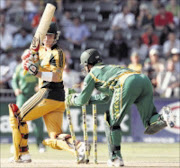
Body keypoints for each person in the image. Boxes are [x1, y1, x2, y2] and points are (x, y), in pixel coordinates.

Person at [66, 48, 175, 167]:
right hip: (143, 80)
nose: (84, 68)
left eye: (85, 66)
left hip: (127, 83)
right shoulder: (110, 68)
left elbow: (82, 99)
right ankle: (163, 117)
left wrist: (71, 99)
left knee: (111, 121)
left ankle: (115, 158)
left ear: (88, 64)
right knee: (149, 122)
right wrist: (88, 101)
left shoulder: (92, 73)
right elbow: (105, 98)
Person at [8, 22, 89, 163]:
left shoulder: (57, 53)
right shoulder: (42, 50)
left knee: (17, 118)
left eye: (50, 36)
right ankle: (80, 147)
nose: (46, 38)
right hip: (56, 99)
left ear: (55, 37)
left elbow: (56, 76)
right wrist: (26, 61)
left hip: (48, 93)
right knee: (56, 137)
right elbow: (27, 62)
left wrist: (36, 72)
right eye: (44, 35)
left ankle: (22, 154)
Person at [11, 49, 46, 153]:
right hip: (23, 96)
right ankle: (16, 144)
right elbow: (14, 81)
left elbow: (44, 78)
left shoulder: (38, 67)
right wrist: (16, 88)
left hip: (35, 96)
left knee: (38, 122)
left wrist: (39, 86)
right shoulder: (18, 68)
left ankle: (40, 144)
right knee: (18, 121)